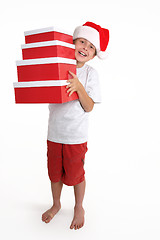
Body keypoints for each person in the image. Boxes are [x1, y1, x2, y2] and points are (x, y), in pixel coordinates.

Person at [42, 21, 109, 230]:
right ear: (73, 43)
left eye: (91, 47)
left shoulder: (90, 74)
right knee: (54, 174)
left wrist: (79, 87)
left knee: (76, 174)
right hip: (54, 133)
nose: (85, 48)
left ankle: (79, 206)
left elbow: (89, 107)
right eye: (82, 42)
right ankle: (56, 204)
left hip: (76, 136)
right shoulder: (58, 67)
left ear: (94, 54)